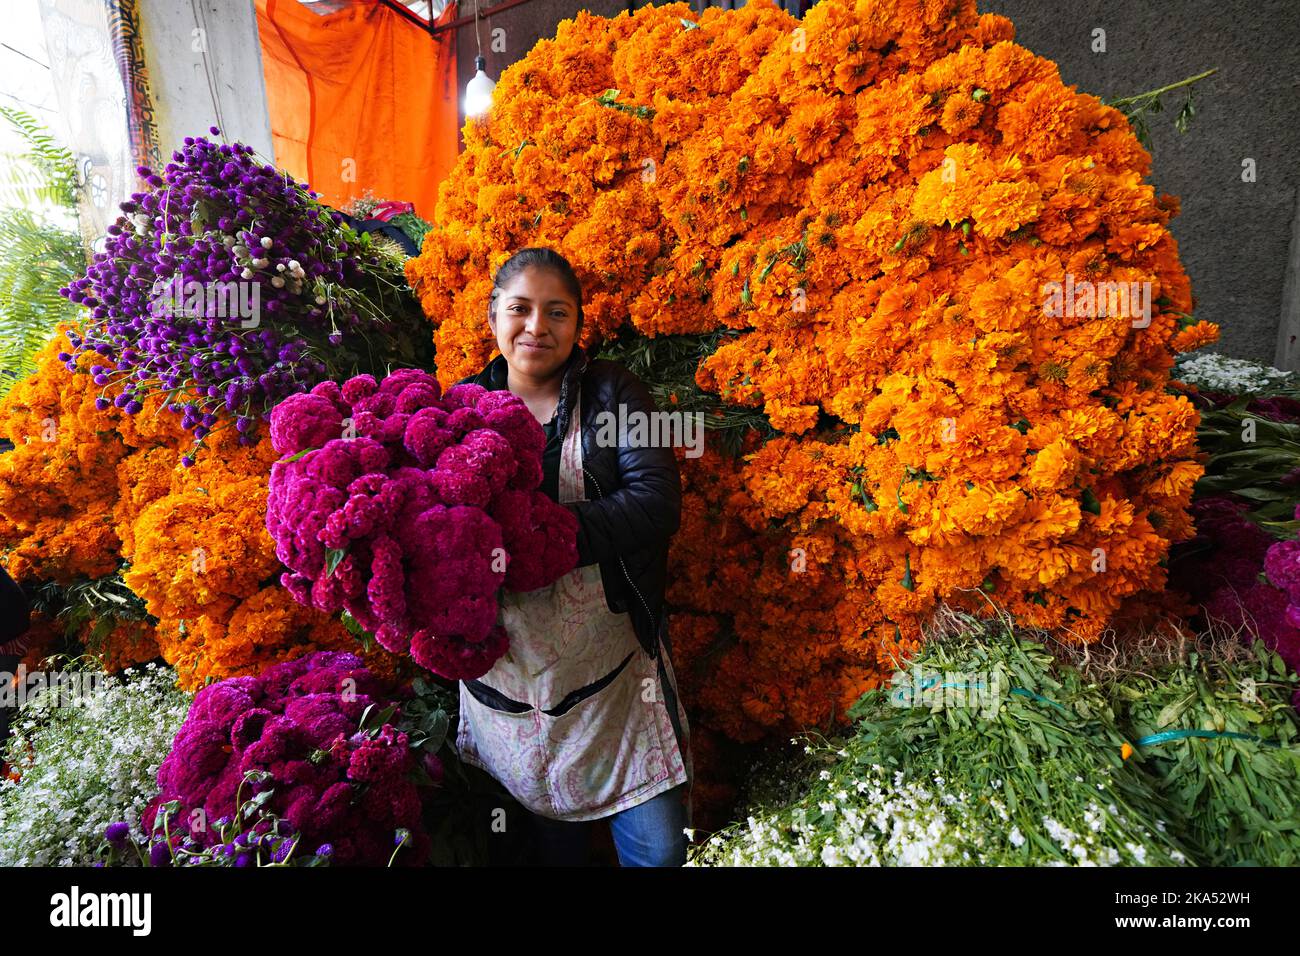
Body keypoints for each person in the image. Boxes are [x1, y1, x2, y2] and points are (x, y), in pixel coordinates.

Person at [452, 246, 694, 867]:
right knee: (548, 849)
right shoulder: (456, 409)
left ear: (578, 326)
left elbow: (657, 500)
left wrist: (543, 538)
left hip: (615, 678)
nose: (537, 327)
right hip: (507, 681)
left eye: (557, 313)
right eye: (521, 309)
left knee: (658, 852)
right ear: (492, 318)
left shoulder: (615, 393)